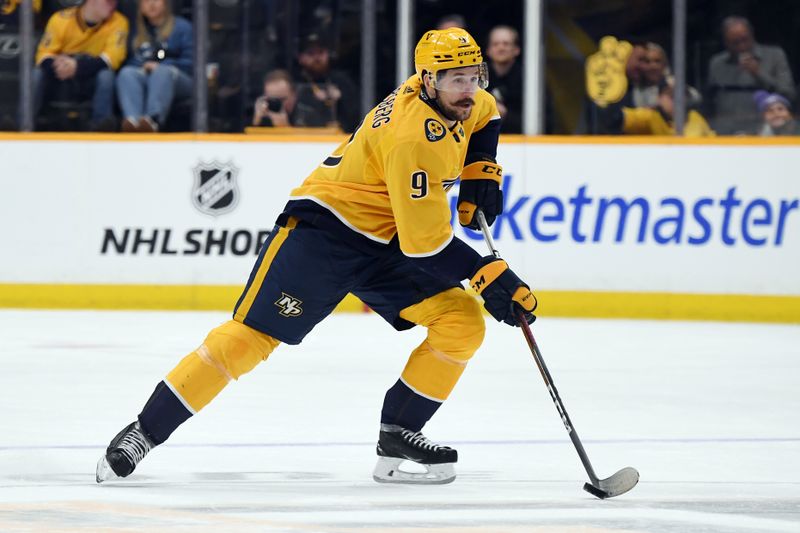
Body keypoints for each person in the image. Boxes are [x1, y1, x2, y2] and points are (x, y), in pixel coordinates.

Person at [96, 27, 536, 486]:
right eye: (454, 81)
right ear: (426, 80)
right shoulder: (412, 139)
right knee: (249, 340)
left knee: (462, 322)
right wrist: (488, 275)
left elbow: (486, 118)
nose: (467, 91)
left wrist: (481, 170)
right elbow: (424, 245)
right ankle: (144, 432)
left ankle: (399, 434)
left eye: (473, 77)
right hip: (325, 233)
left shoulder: (465, 100)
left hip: (385, 238)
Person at [33, 0, 129, 131]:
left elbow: (113, 58)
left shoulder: (119, 21)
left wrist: (77, 67)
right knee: (36, 74)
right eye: (108, 2)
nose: (113, 5)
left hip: (91, 75)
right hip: (60, 76)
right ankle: (23, 124)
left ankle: (101, 126)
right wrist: (59, 67)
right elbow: (43, 55)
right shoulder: (60, 19)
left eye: (114, 2)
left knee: (106, 76)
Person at [706, 16, 796, 135]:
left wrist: (758, 74)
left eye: (745, 40)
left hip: (765, 133)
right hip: (725, 134)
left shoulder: (774, 56)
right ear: (726, 42)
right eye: (735, 43)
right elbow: (709, 101)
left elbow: (788, 94)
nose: (742, 46)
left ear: (752, 35)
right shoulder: (717, 64)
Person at [116, 0, 192, 133]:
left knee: (162, 72)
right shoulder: (135, 30)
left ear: (165, 3)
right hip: (147, 76)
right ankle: (134, 122)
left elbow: (191, 63)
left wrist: (162, 66)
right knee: (127, 73)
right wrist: (144, 67)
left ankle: (153, 121)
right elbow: (130, 61)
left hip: (181, 80)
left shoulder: (182, 27)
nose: (151, 4)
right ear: (140, 6)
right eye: (145, 1)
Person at [294, 33, 360, 132]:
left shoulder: (341, 80)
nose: (317, 58)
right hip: (303, 137)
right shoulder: (295, 81)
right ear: (301, 58)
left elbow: (357, 114)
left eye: (321, 52)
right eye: (311, 53)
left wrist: (341, 99)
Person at [485, 25, 522, 133]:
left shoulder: (529, 80)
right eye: (495, 44)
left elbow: (543, 121)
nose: (501, 48)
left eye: (506, 44)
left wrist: (506, 115)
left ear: (516, 49)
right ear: (488, 50)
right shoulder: (476, 77)